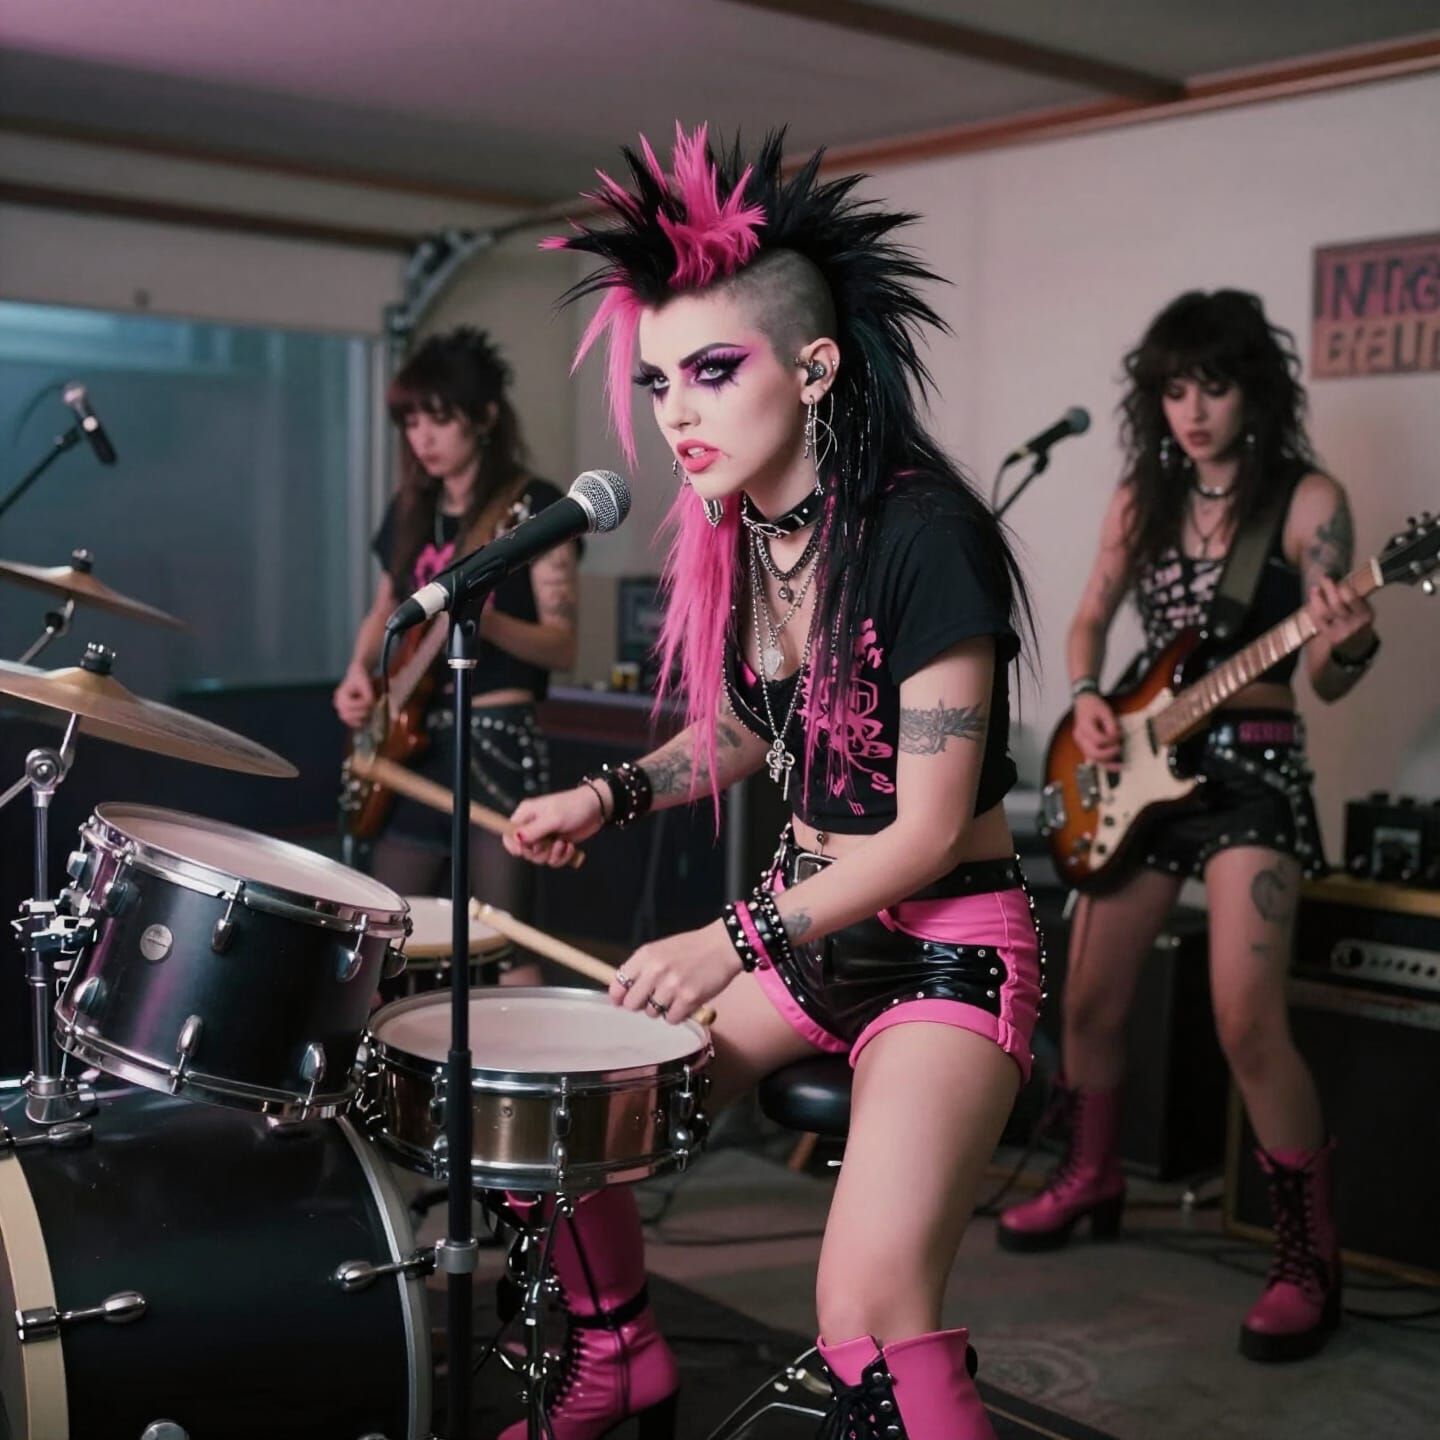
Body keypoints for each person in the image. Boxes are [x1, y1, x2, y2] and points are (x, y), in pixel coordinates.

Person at [498, 125, 1039, 1440]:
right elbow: (753, 728)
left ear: (815, 367)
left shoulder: (924, 534)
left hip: (940, 950)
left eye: (714, 370)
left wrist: (726, 939)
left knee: (867, 1314)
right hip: (811, 938)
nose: (678, 410)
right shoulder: (748, 529)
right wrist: (610, 795)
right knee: (558, 1136)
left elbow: (920, 833)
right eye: (659, 379)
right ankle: (619, 1356)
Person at [998, 290, 1379, 1364]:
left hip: (1253, 774)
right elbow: (1087, 616)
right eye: (1174, 390)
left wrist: (1343, 639)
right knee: (1088, 999)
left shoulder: (1309, 503)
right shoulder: (1143, 498)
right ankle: (1090, 1176)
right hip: (1138, 771)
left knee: (1246, 1019)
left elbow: (1327, 675)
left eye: (1213, 386)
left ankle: (1310, 1259)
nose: (1193, 411)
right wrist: (1084, 697)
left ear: (1254, 389)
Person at [333, 328, 578, 978]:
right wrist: (359, 673)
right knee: (389, 939)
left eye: (438, 419)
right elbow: (384, 608)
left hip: (496, 738)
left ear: (485, 415)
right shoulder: (412, 508)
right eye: (411, 421)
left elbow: (563, 643)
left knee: (507, 945)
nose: (423, 438)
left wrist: (485, 623)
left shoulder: (537, 507)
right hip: (411, 746)